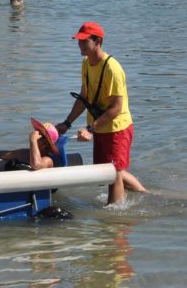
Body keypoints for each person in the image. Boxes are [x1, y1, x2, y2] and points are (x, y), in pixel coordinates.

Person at [55, 22, 147, 205]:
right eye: (78, 40)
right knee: (110, 171)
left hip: (116, 128)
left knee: (113, 173)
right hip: (100, 127)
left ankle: (115, 216)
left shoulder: (112, 68)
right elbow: (84, 98)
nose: (79, 45)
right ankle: (145, 193)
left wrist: (90, 128)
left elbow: (116, 108)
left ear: (98, 41)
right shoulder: (86, 64)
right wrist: (67, 123)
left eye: (84, 41)